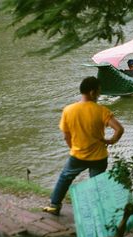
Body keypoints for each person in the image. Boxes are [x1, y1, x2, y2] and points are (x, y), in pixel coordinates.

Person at [43, 76, 124, 215]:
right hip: (99, 157)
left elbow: (66, 136)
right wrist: (111, 141)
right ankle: (99, 212)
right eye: (98, 91)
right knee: (97, 185)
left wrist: (73, 148)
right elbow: (119, 129)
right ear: (92, 92)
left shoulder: (68, 110)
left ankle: (55, 205)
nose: (99, 95)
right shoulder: (102, 111)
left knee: (65, 178)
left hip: (77, 155)